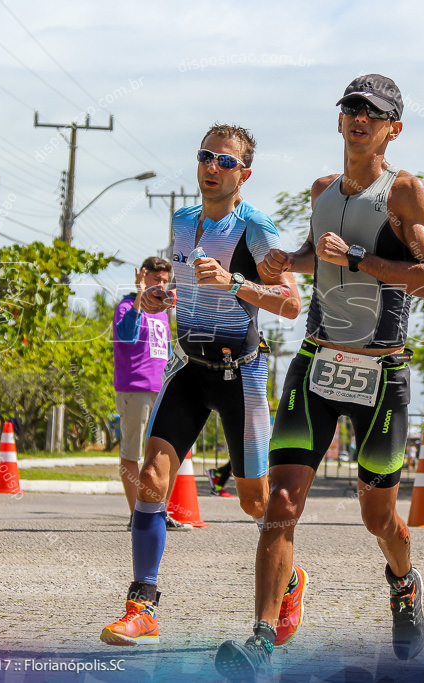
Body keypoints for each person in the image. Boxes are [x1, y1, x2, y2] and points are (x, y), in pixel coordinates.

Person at [215, 75, 424, 675]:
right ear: (340, 120)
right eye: (350, 108)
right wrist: (283, 262)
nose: (358, 118)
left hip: (381, 375)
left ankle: (403, 578)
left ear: (393, 127)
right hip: (316, 364)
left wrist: (361, 260)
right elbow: (318, 255)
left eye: (372, 113)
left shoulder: (409, 195)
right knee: (282, 503)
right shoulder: (322, 189)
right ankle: (262, 638)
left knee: (378, 519)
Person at [101, 123, 306, 648]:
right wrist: (156, 299)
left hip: (242, 374)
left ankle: (289, 579)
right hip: (188, 367)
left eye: (226, 161)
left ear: (245, 173)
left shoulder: (255, 227)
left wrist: (234, 283)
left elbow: (290, 302)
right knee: (151, 479)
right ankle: (142, 604)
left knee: (255, 504)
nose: (212, 167)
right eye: (205, 157)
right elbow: (184, 288)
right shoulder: (183, 221)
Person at [112, 256, 188, 531]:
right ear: (144, 278)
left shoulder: (162, 313)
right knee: (132, 453)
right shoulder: (125, 306)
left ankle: (157, 512)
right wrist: (140, 296)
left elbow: (166, 351)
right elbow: (127, 336)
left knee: (164, 453)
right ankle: (137, 515)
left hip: (161, 388)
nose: (162, 286)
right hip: (135, 388)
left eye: (165, 281)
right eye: (156, 280)